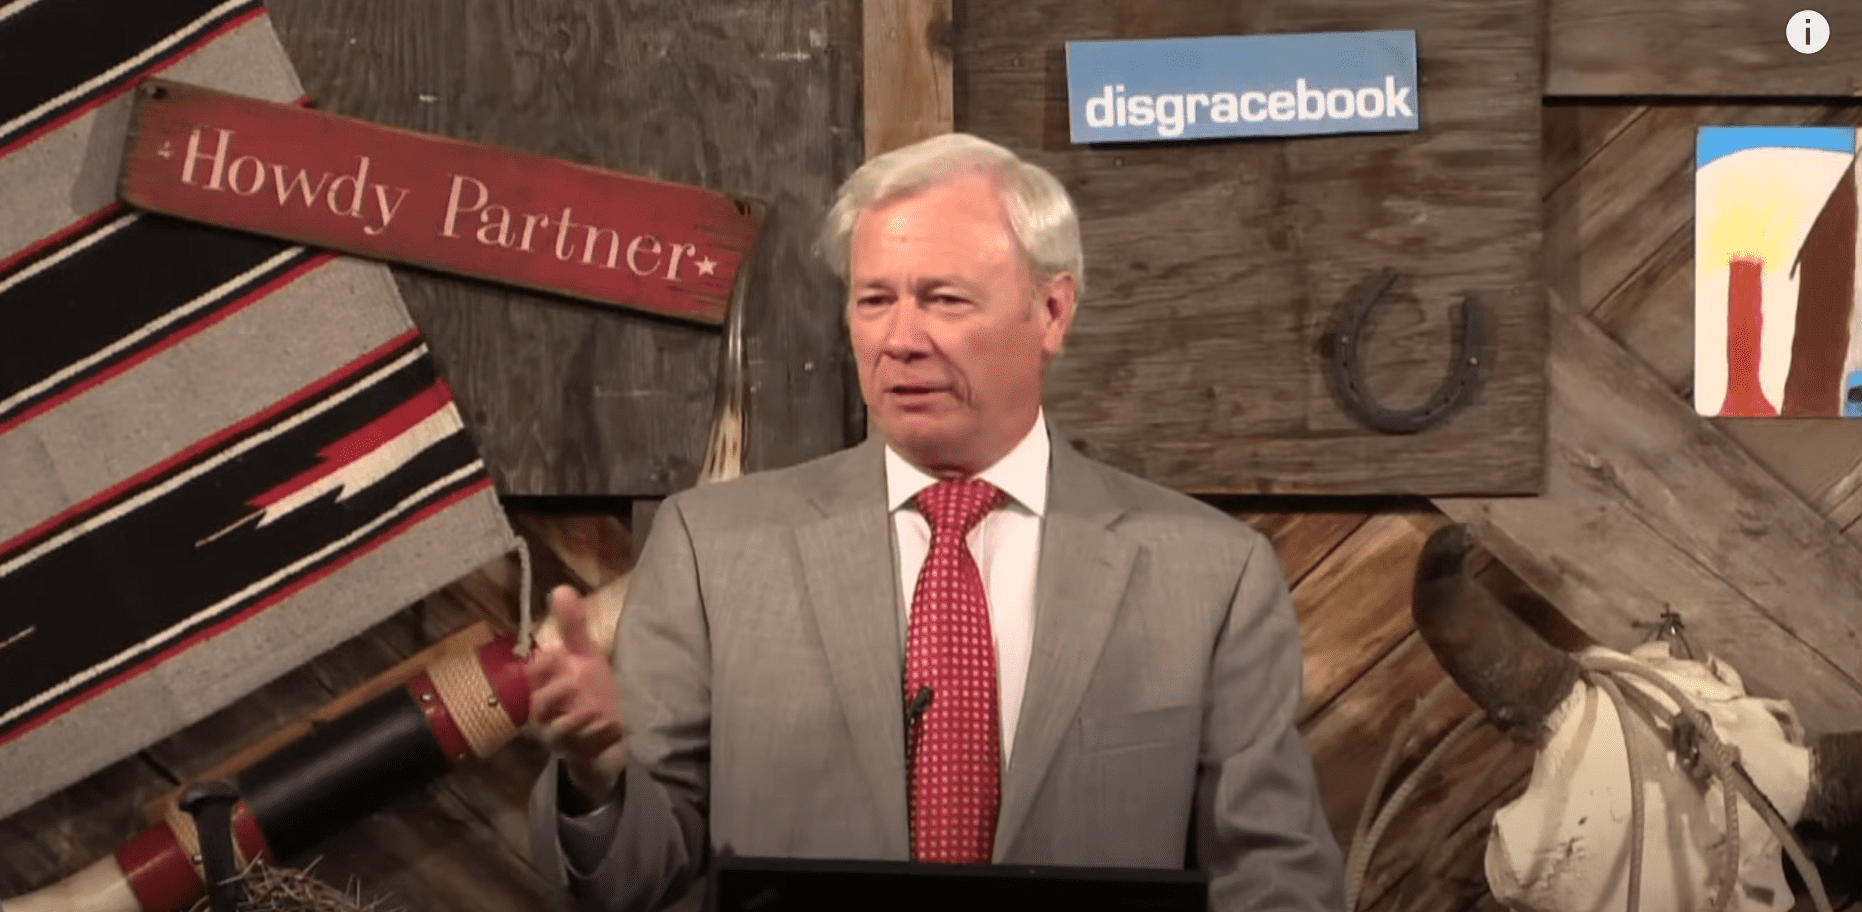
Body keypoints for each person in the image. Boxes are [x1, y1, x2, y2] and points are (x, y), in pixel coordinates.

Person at [526, 132, 1346, 911]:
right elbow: (628, 881)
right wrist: (601, 777)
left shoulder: (1209, 574)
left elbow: (1273, 875)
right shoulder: (714, 550)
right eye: (874, 299)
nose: (900, 340)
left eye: (944, 300)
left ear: (1052, 313)